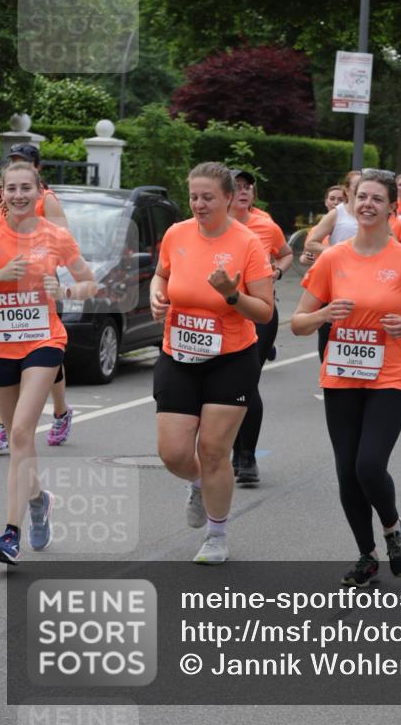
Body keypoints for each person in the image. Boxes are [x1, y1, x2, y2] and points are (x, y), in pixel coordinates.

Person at [291, 170, 401, 586]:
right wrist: (324, 315)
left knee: (369, 465)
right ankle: (367, 555)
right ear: (350, 202)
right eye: (362, 197)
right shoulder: (332, 258)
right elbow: (298, 323)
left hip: (389, 377)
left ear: (391, 208)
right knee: (347, 472)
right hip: (341, 375)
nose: (368, 205)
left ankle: (394, 529)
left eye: (377, 199)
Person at [150, 162, 274, 563]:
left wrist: (232, 295)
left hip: (231, 358)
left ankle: (216, 535)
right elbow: (161, 275)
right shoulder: (176, 234)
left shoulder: (248, 243)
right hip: (178, 353)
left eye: (207, 197)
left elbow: (266, 313)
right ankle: (200, 484)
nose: (199, 205)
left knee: (215, 449)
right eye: (193, 197)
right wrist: (157, 295)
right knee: (173, 453)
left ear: (226, 197)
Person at [0, 161, 96, 564]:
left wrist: (65, 287)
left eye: (25, 189)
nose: (18, 195)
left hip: (44, 341)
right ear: (3, 193)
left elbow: (89, 284)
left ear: (38, 193)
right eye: (11, 189)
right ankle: (39, 499)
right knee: (21, 443)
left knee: (19, 433)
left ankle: (9, 534)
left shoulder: (55, 236)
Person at [0, 145, 74, 453]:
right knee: (6, 352)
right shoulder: (3, 197)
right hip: (6, 289)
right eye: (12, 163)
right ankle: (1, 426)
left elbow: (62, 242)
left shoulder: (47, 199)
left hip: (38, 286)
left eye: (23, 163)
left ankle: (61, 411)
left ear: (36, 169)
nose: (17, 167)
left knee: (46, 355)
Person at [229, 169, 292, 484]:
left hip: (258, 315)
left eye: (248, 187)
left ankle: (246, 456)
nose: (243, 191)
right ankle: (229, 449)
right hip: (222, 315)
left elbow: (286, 254)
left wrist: (276, 272)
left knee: (246, 383)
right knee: (225, 386)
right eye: (237, 186)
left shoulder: (266, 225)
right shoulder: (211, 225)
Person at [304, 170, 360, 364]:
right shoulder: (338, 213)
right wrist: (338, 252)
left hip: (367, 278)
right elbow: (311, 242)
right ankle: (327, 370)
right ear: (347, 190)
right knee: (330, 327)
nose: (363, 191)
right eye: (357, 187)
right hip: (338, 279)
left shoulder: (373, 212)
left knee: (362, 328)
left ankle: (359, 371)